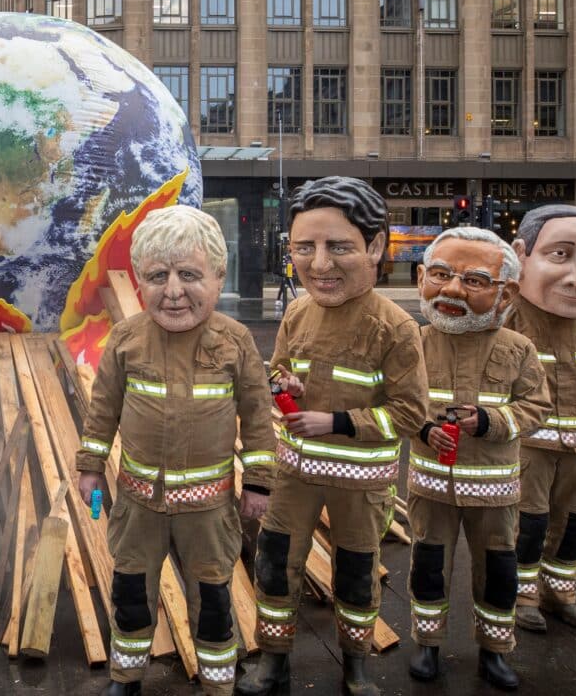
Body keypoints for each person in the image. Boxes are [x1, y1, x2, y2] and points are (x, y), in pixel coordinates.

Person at [238, 177, 427, 696]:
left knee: (356, 573)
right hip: (293, 474)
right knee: (276, 567)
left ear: (374, 246)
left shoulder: (394, 327)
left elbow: (410, 413)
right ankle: (273, 661)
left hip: (360, 484)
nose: (318, 264)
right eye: (304, 247)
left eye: (338, 246)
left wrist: (338, 423)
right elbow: (275, 371)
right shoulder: (297, 312)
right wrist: (284, 385)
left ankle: (355, 664)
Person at [76, 205, 275, 696]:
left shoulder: (236, 342)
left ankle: (217, 682)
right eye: (156, 275)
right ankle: (126, 678)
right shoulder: (125, 339)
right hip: (138, 507)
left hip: (209, 513)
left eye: (189, 275)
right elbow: (101, 412)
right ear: (139, 281)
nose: (173, 291)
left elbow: (257, 418)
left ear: (218, 276)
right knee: (130, 596)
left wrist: (258, 483)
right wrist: (91, 468)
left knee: (212, 601)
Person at [404, 227, 550, 691]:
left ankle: (495, 651)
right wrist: (424, 428)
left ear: (505, 292)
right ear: (422, 277)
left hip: (493, 488)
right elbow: (396, 400)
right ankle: (427, 645)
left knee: (499, 572)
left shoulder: (518, 348)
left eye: (473, 280)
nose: (451, 290)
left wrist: (489, 421)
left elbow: (537, 407)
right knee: (428, 566)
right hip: (431, 486)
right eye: (442, 275)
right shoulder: (414, 342)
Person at [504, 205, 576, 634]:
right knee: (528, 524)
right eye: (560, 254)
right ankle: (522, 596)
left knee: (573, 524)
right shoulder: (510, 313)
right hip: (529, 444)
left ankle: (561, 594)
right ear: (521, 255)